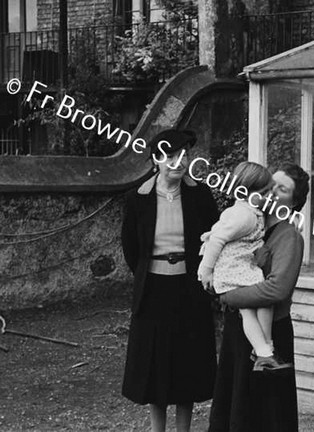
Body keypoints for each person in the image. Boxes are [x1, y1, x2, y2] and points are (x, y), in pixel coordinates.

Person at [121, 129, 219, 432]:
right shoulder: (138, 198)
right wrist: (148, 275)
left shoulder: (200, 195)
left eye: (183, 156)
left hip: (189, 289)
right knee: (156, 363)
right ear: (155, 161)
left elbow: (213, 239)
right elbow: (131, 248)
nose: (178, 162)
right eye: (170, 157)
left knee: (186, 361)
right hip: (153, 290)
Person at [208, 162, 310, 432]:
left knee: (264, 413)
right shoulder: (251, 224)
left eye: (283, 189)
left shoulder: (289, 236)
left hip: (270, 332)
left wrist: (229, 296)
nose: (273, 192)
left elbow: (277, 289)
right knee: (234, 405)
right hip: (238, 331)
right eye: (271, 185)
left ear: (294, 202)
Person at [198, 161, 292, 371]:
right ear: (245, 191)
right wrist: (206, 270)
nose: (269, 196)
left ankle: (264, 350)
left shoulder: (250, 210)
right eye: (264, 191)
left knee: (253, 308)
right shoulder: (243, 215)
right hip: (232, 270)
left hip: (240, 268)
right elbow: (217, 240)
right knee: (254, 305)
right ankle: (265, 350)